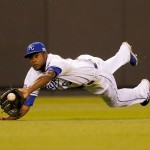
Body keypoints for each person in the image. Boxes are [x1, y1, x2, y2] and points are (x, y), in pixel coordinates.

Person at [0, 41, 149, 120]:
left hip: (95, 76)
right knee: (105, 68)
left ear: (45, 54)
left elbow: (49, 75)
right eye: (30, 57)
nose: (33, 60)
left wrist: (28, 90)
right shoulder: (32, 74)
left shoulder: (56, 62)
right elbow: (26, 105)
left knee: (115, 101)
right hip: (85, 62)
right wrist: (11, 118)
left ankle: (143, 90)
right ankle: (124, 53)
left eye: (36, 56)